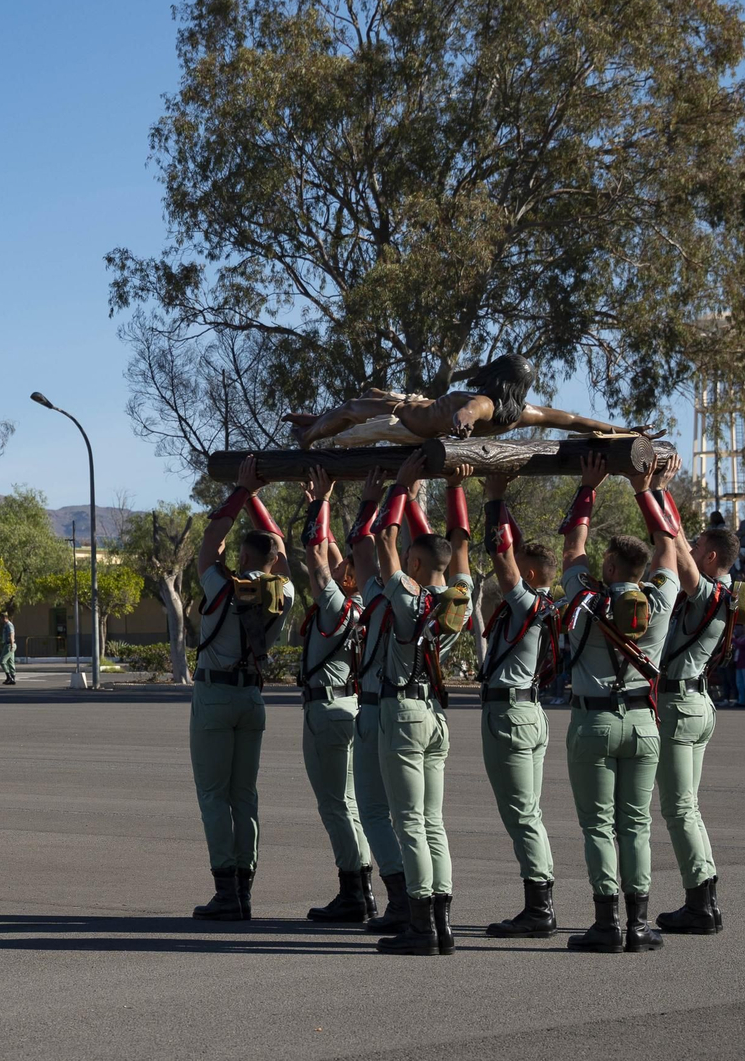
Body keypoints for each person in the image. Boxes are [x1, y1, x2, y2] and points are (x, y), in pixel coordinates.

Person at [356, 450, 473, 956]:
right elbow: (461, 552)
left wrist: (400, 488)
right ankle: (442, 924)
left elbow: (382, 539)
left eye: (411, 555)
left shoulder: (407, 592)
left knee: (407, 820)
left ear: (418, 563)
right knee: (432, 820)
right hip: (436, 713)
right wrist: (455, 488)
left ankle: (422, 925)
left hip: (403, 711)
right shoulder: (456, 599)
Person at [558, 451, 676, 953]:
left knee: (598, 825)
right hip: (645, 723)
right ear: (641, 567)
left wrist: (588, 488)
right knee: (637, 824)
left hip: (596, 723)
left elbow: (571, 549)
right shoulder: (661, 600)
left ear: (609, 565)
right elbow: (668, 545)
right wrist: (645, 488)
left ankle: (606, 923)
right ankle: (640, 924)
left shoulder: (587, 603)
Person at [188, 454, 294, 921]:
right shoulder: (283, 591)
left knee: (214, 795)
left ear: (245, 555)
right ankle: (245, 888)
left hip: (215, 696)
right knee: (244, 796)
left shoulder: (221, 585)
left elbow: (210, 541)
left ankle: (226, 891)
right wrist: (258, 504)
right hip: (253, 696)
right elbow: (282, 553)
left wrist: (242, 492)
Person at [476, 473, 560, 939]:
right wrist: (503, 503)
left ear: (527, 575)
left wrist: (494, 498)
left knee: (522, 814)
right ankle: (540, 901)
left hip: (509, 714)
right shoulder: (544, 601)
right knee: (530, 812)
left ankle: (539, 907)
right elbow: (517, 548)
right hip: (529, 712)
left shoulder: (525, 601)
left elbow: (502, 554)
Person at [655, 474, 735, 936]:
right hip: (695, 702)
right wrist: (660, 492)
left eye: (698, 543)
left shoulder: (708, 591)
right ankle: (703, 895)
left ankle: (700, 904)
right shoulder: (720, 592)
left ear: (709, 557)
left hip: (680, 704)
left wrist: (650, 491)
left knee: (680, 808)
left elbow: (679, 551)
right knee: (689, 806)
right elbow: (680, 540)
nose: (690, 544)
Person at [294, 467, 373, 923]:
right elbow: (334, 556)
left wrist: (319, 502)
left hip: (325, 709)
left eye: (346, 567)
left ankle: (353, 890)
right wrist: (323, 502)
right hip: (350, 704)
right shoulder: (362, 602)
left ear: (347, 580)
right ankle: (361, 887)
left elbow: (314, 553)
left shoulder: (335, 603)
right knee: (352, 803)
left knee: (335, 804)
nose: (340, 563)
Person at [282, 354, 650, 448]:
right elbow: (573, 421)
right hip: (413, 405)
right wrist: (625, 431)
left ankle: (308, 436)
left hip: (405, 418)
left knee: (350, 407)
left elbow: (469, 411)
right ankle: (315, 420)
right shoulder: (523, 412)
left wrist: (462, 422)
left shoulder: (483, 404)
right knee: (370, 395)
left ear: (499, 376)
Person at [345, 473, 408, 935]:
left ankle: (402, 897)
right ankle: (423, 904)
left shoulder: (385, 601)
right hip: (417, 711)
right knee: (417, 817)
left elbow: (367, 547)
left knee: (373, 810)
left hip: (375, 708)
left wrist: (380, 497)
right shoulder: (444, 599)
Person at [0, 611, 17, 685]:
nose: (0, 620)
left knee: (2, 661)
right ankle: (12, 678)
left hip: (9, 644)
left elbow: (11, 634)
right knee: (10, 662)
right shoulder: (6, 625)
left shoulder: (9, 625)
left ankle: (9, 677)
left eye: (1, 618)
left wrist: (12, 645)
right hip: (8, 644)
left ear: (4, 618)